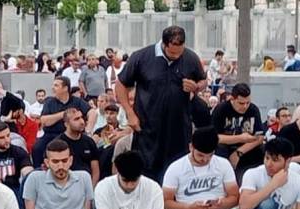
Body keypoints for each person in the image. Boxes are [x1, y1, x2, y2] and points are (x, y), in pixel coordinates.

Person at [118, 26, 208, 180]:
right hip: (148, 128)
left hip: (179, 129)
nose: (176, 56)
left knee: (176, 173)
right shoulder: (142, 57)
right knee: (146, 173)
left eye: (180, 53)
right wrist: (130, 113)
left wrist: (197, 86)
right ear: (164, 44)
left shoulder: (190, 58)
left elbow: (203, 80)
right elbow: (121, 84)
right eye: (172, 53)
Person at [32, 75, 92, 167]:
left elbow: (92, 113)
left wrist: (88, 129)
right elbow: (44, 121)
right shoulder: (49, 102)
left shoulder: (77, 101)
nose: (53, 88)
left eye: (56, 85)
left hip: (73, 135)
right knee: (37, 148)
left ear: (65, 88)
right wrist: (64, 114)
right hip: (51, 135)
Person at [212, 82, 264, 175]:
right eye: (241, 103)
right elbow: (216, 137)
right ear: (232, 99)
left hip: (246, 148)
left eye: (248, 103)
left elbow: (259, 137)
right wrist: (240, 138)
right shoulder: (221, 109)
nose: (245, 106)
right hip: (225, 147)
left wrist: (239, 152)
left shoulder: (253, 109)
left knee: (261, 149)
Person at [60, 107, 101, 185]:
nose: (82, 122)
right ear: (66, 124)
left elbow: (95, 171)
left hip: (86, 185)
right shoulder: (58, 143)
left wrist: (91, 190)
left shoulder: (89, 142)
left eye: (82, 117)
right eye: (76, 119)